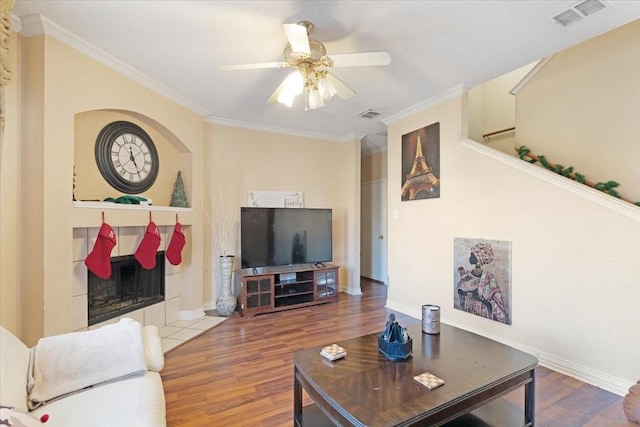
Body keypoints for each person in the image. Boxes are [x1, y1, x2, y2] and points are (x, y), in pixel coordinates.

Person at [456, 242, 508, 324]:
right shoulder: (467, 274)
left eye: (472, 256)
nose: (469, 258)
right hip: (468, 314)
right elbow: (459, 289)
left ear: (478, 260)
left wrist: (475, 296)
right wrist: (467, 293)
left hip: (484, 318)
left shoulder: (489, 278)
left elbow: (496, 300)